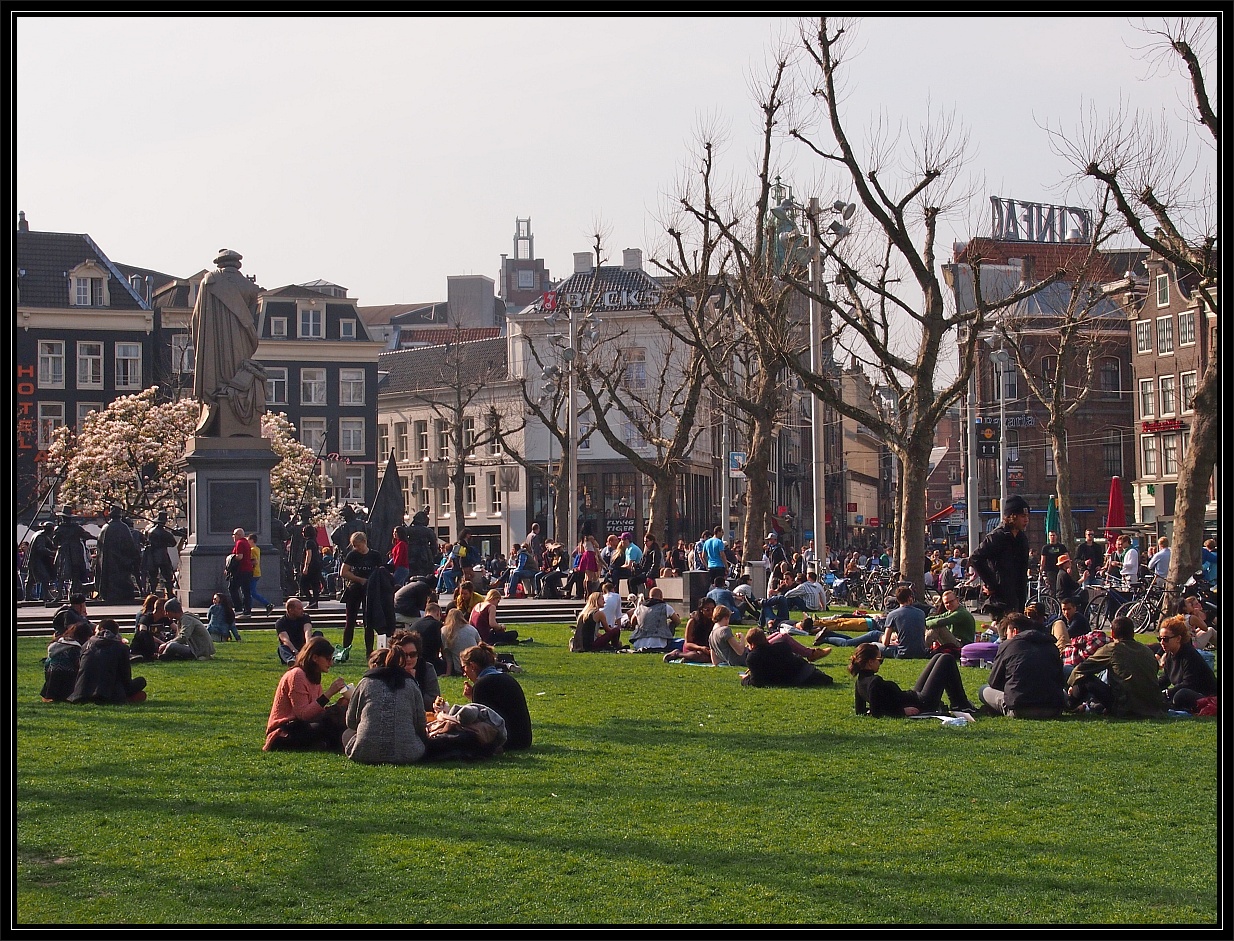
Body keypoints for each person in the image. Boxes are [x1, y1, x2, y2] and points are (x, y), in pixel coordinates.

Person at [190, 248, 265, 437]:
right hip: (241, 344)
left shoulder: (209, 282)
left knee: (218, 378)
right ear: (238, 264)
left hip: (214, 349)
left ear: (219, 263)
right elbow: (251, 319)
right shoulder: (250, 287)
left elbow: (196, 319)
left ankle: (215, 410)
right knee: (239, 373)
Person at [342, 645, 427, 765]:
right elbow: (421, 723)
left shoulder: (365, 683)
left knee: (347, 734)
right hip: (407, 753)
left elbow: (350, 721)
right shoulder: (410, 684)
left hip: (365, 752)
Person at [264, 636, 351, 751]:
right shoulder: (297, 675)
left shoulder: (314, 676)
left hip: (303, 725)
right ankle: (326, 743)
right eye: (328, 659)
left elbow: (315, 711)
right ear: (315, 658)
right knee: (326, 726)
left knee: (337, 716)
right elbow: (303, 714)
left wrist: (337, 705)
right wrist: (329, 693)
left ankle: (326, 743)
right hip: (285, 730)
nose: (331, 663)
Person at [1066, 616, 1165, 717]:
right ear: (1133, 633)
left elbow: (1081, 669)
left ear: (1112, 633)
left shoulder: (1113, 649)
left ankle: (1070, 705)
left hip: (1125, 706)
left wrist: (1071, 685)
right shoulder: (1146, 650)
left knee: (1085, 677)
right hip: (1152, 706)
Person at [977, 611, 1067, 719]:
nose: (1006, 637)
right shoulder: (1051, 646)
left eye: (1007, 633)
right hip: (1053, 708)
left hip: (1020, 708)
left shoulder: (1009, 645)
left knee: (984, 690)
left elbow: (994, 682)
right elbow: (1060, 681)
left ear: (1014, 631)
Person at [849, 642, 977, 717]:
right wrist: (901, 712)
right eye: (879, 660)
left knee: (939, 656)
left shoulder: (860, 682)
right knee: (947, 659)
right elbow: (877, 711)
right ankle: (960, 703)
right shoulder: (874, 682)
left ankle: (959, 703)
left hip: (913, 696)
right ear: (870, 662)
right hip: (922, 702)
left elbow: (860, 710)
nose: (881, 663)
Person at [969, 494, 1031, 633]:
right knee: (1005, 635)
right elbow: (976, 557)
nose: (1026, 520)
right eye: (1022, 516)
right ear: (1012, 516)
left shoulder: (1021, 539)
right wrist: (991, 583)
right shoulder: (997, 537)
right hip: (1001, 597)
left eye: (1027, 516)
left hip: (1018, 595)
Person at [459, 643, 532, 750]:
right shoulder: (507, 678)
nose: (464, 673)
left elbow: (480, 721)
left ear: (473, 666)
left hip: (506, 741)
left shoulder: (482, 684)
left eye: (464, 668)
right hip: (523, 739)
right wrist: (472, 697)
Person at [68, 619, 148, 704]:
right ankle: (128, 697)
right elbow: (125, 677)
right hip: (109, 694)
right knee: (141, 681)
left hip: (82, 692)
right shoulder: (121, 648)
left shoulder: (86, 645)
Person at [1156, 615, 1218, 713]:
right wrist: (1150, 686)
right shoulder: (1169, 655)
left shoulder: (1189, 654)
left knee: (1181, 695)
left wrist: (1168, 692)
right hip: (1189, 692)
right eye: (1160, 639)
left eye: (1166, 639)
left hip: (1207, 697)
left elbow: (1189, 683)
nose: (1162, 642)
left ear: (1178, 638)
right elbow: (1166, 679)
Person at [338, 530, 381, 662]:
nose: (357, 548)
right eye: (355, 546)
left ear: (364, 542)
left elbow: (380, 571)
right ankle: (345, 651)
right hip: (355, 589)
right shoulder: (352, 555)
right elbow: (343, 572)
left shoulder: (375, 555)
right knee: (349, 622)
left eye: (358, 545)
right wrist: (359, 579)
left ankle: (369, 653)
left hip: (370, 590)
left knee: (369, 623)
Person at [741, 626, 834, 687]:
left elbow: (756, 682)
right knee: (827, 680)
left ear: (752, 644)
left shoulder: (753, 657)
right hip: (808, 670)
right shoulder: (782, 646)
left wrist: (745, 679)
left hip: (798, 679)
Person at [96, 505, 140, 602]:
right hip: (121, 561)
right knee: (121, 579)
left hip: (108, 563)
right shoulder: (124, 528)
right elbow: (130, 547)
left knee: (111, 580)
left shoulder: (105, 528)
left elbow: (99, 548)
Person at [41, 620, 93, 702]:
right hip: (67, 677)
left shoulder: (58, 643)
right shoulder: (74, 647)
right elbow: (78, 664)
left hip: (52, 675)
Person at [390, 628, 442, 706]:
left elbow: (435, 701)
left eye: (412, 654)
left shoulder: (426, 668)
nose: (408, 659)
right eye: (403, 655)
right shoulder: (389, 670)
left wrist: (414, 685)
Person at [52, 510, 91, 599]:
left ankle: (59, 595)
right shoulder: (77, 528)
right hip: (76, 554)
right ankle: (73, 593)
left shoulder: (59, 529)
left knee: (61, 574)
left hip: (64, 553)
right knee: (75, 574)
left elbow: (54, 542)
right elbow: (86, 535)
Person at [627, 586, 681, 652]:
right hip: (659, 643)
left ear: (650, 596)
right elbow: (677, 621)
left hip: (639, 642)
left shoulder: (640, 608)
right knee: (672, 623)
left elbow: (632, 622)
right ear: (661, 596)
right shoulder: (665, 607)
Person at [880, 586, 928, 659]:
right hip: (921, 651)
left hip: (902, 652)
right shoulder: (921, 613)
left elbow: (886, 643)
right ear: (910, 598)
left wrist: (882, 638)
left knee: (874, 645)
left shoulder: (892, 615)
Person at [664, 597, 716, 664]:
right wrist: (700, 648)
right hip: (693, 649)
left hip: (706, 650)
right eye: (707, 610)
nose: (711, 612)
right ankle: (678, 654)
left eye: (713, 609)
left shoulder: (714, 622)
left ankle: (688, 659)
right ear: (701, 610)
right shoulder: (693, 622)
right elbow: (687, 644)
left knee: (711, 657)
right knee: (702, 656)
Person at [276, 597, 322, 665]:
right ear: (291, 610)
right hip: (292, 648)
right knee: (282, 648)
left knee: (318, 635)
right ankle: (291, 660)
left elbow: (307, 631)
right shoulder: (280, 622)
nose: (302, 610)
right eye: (299, 609)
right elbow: (285, 640)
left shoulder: (305, 617)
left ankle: (315, 657)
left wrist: (308, 647)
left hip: (305, 645)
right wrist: (295, 651)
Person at [440, 606, 481, 677]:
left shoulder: (445, 630)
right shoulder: (471, 628)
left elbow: (447, 655)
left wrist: (448, 673)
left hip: (460, 669)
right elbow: (480, 644)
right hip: (477, 667)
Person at [408, 601, 446, 674]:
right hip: (432, 662)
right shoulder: (438, 625)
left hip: (416, 662)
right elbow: (443, 648)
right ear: (438, 613)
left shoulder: (413, 625)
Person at [28, 521, 58, 603]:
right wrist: (53, 553)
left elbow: (50, 545)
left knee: (31, 578)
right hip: (36, 559)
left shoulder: (40, 534)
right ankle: (46, 595)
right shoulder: (41, 536)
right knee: (45, 577)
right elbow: (41, 549)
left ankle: (27, 595)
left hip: (34, 559)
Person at [405, 510, 440, 579]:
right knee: (425, 571)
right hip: (424, 552)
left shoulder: (409, 530)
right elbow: (434, 544)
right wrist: (432, 554)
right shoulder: (428, 531)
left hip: (412, 551)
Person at [227, 527, 254, 616]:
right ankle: (247, 611)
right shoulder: (246, 542)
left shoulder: (239, 543)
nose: (233, 537)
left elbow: (240, 557)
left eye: (234, 535)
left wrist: (230, 558)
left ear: (238, 535)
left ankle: (238, 608)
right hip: (248, 570)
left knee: (232, 588)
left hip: (241, 570)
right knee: (246, 591)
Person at [246, 533, 275, 614]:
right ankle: (248, 607)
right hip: (257, 572)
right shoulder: (257, 549)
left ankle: (267, 604)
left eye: (248, 540)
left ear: (251, 540)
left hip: (253, 573)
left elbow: (254, 561)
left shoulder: (252, 550)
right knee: (250, 592)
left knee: (252, 592)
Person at [298, 524, 324, 608]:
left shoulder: (308, 542)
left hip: (311, 566)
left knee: (303, 583)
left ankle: (311, 600)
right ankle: (315, 602)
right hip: (316, 565)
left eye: (303, 531)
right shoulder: (314, 541)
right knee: (315, 584)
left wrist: (306, 566)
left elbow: (308, 555)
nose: (302, 533)